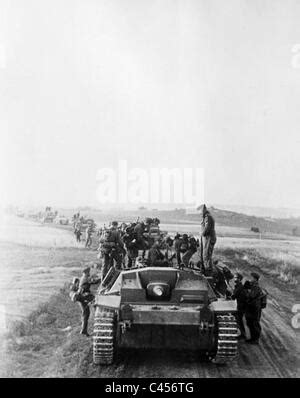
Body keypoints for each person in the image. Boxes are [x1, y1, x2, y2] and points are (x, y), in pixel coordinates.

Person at [77, 267, 100, 336]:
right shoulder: (85, 278)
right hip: (84, 297)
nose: (89, 273)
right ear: (86, 272)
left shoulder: (83, 278)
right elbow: (94, 282)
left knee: (86, 314)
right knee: (86, 313)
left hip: (82, 297)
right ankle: (98, 314)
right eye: (88, 272)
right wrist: (101, 278)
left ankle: (84, 330)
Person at [244, 272, 263, 344]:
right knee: (250, 323)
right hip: (251, 307)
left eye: (251, 277)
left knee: (254, 323)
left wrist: (246, 291)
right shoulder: (252, 286)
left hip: (254, 308)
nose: (250, 278)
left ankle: (256, 339)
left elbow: (251, 296)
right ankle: (252, 338)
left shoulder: (256, 287)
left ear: (255, 279)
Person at [197, 204, 216, 275]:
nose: (199, 213)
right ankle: (204, 270)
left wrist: (202, 233)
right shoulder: (205, 217)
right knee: (203, 254)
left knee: (206, 255)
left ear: (203, 210)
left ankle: (208, 271)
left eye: (200, 211)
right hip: (205, 238)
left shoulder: (208, 217)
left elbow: (207, 228)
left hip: (208, 238)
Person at [232, 273, 247, 339]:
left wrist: (231, 295)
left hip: (241, 306)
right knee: (239, 320)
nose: (235, 279)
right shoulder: (239, 286)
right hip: (241, 305)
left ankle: (242, 334)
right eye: (234, 278)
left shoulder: (239, 287)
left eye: (236, 278)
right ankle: (242, 334)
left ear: (240, 279)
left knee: (239, 320)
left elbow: (234, 296)